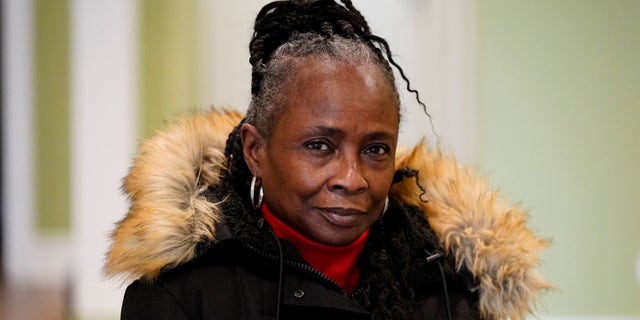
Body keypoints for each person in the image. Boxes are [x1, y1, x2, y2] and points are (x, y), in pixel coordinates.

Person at [105, 0, 550, 319]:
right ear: (255, 150)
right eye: (320, 146)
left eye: (376, 150)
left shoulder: (447, 285)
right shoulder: (183, 292)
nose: (352, 179)